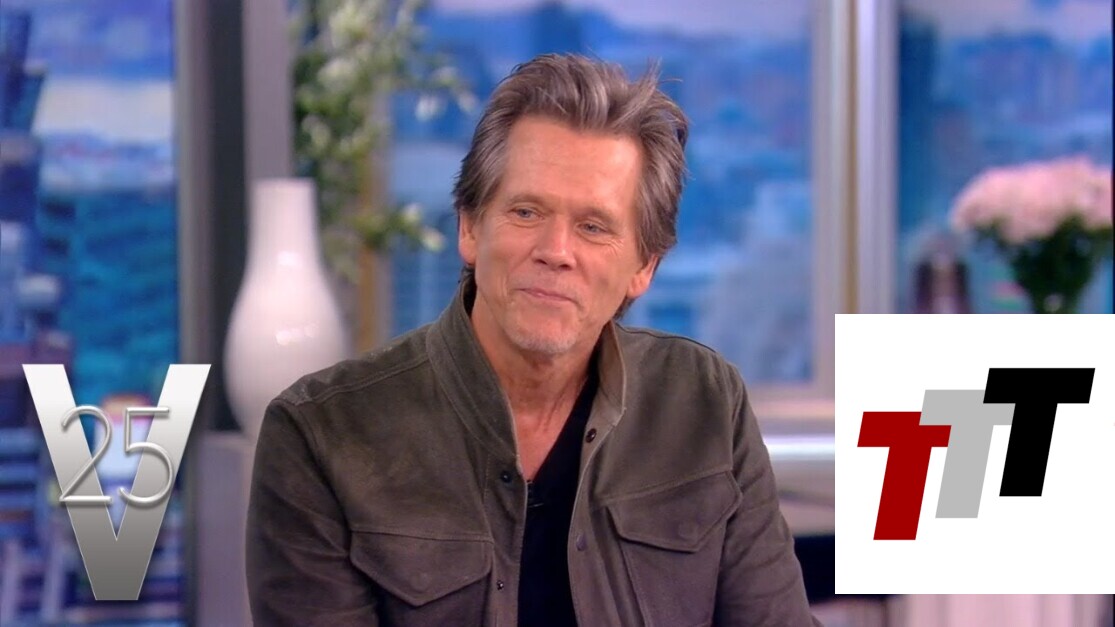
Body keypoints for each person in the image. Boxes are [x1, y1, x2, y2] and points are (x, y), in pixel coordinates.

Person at [247, 53, 817, 626]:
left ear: (644, 267)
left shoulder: (706, 402)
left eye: (593, 227)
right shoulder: (321, 436)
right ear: (470, 227)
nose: (556, 251)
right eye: (526, 212)